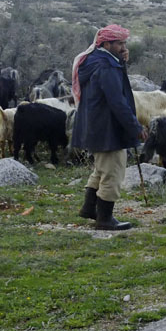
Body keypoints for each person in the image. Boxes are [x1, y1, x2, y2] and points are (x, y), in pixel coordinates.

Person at [71, 24, 147, 230]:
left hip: (96, 124)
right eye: (119, 43)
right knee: (113, 170)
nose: (123, 47)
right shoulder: (106, 66)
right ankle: (104, 219)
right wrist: (135, 126)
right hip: (106, 126)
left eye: (124, 43)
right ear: (106, 43)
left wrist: (122, 63)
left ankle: (89, 208)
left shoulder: (98, 60)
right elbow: (117, 100)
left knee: (101, 169)